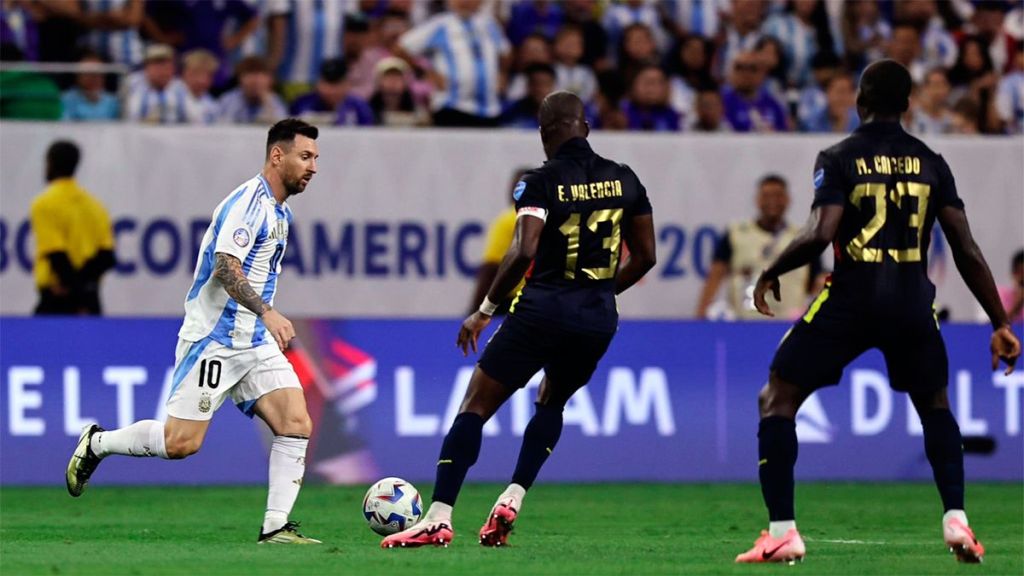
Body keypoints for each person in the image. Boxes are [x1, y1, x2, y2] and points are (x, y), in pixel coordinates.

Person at [735, 60, 1021, 564]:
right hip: (911, 302)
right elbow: (965, 247)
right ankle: (956, 519)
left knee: (777, 396)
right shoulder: (932, 162)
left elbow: (821, 233)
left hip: (851, 298)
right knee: (934, 405)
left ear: (859, 102)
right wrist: (1000, 321)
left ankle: (782, 532)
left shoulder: (838, 157)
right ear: (908, 105)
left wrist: (771, 270)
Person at [381, 91, 656, 548]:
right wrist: (600, 295)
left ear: (544, 135)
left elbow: (524, 249)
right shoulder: (625, 178)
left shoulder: (540, 182)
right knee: (551, 404)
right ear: (586, 128)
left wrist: (485, 310)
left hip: (541, 311)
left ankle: (439, 517)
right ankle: (513, 496)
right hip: (596, 320)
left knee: (475, 406)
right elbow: (646, 257)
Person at [65, 119, 323, 545]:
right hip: (214, 340)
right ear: (277, 156)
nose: (313, 167)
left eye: (315, 158)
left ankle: (275, 527)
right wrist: (268, 312)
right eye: (305, 156)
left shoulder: (282, 212)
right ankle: (98, 443)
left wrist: (261, 320)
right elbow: (225, 267)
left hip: (254, 342)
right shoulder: (248, 204)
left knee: (296, 422)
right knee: (180, 443)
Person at [696, 174, 820, 320]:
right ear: (757, 199)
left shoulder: (803, 237)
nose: (772, 201)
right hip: (744, 323)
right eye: (766, 196)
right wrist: (700, 316)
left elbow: (817, 282)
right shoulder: (736, 234)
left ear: (787, 200)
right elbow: (715, 276)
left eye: (778, 196)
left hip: (789, 323)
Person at [30, 141, 115, 315]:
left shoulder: (44, 204)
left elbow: (56, 256)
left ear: (50, 163)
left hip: (59, 297)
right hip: (90, 298)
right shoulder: (95, 205)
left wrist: (75, 292)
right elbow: (106, 256)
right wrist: (85, 292)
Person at [396, 0, 511, 128]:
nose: (464, 2)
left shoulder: (489, 24)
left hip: (490, 109)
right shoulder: (440, 25)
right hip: (451, 107)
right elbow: (401, 48)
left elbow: (505, 52)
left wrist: (503, 74)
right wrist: (426, 73)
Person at [466, 167, 534, 316]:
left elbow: (491, 269)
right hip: (543, 300)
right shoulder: (551, 218)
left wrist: (476, 311)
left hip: (511, 304)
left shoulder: (509, 219)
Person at [290, 58, 374, 127]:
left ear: (347, 84)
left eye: (337, 84)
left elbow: (367, 135)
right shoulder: (302, 104)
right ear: (318, 83)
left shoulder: (359, 107)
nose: (332, 90)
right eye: (328, 83)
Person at [124, 44, 186, 124]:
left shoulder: (180, 87)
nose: (163, 71)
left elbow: (192, 121)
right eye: (157, 65)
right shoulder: (132, 84)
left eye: (166, 66)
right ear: (146, 67)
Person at [217, 55, 287, 124]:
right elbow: (221, 124)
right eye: (250, 75)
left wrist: (267, 103)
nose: (255, 81)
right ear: (240, 79)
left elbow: (280, 126)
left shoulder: (275, 101)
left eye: (260, 76)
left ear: (270, 80)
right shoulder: (228, 100)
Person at [61, 51, 119, 121]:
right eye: (88, 73)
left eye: (97, 73)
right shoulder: (66, 100)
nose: (94, 77)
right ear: (78, 76)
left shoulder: (113, 102)